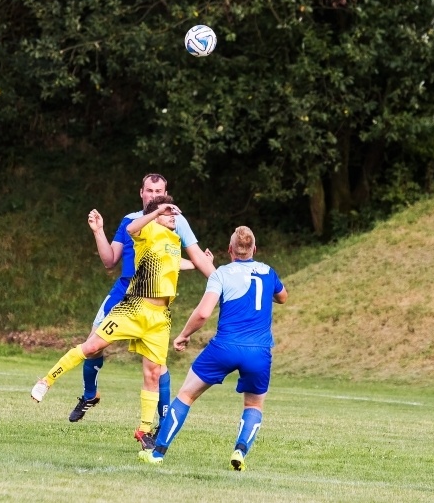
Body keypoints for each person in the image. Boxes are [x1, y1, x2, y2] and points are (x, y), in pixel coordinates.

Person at [31, 196, 203, 450]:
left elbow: (175, 262)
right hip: (133, 307)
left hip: (159, 318)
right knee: (91, 347)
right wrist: (157, 214)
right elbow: (132, 229)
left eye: (174, 213)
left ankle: (144, 431)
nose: (173, 216)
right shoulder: (145, 228)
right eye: (169, 213)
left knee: (153, 373)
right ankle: (46, 380)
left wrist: (198, 264)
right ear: (156, 213)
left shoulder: (173, 239)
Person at [70, 173, 215, 428]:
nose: (155, 196)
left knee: (157, 366)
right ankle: (90, 395)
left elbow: (193, 257)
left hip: (151, 298)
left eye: (159, 191)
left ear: (166, 193)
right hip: (123, 291)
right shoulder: (131, 221)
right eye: (150, 191)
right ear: (141, 193)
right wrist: (99, 231)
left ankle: (162, 420)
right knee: (92, 346)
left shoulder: (176, 220)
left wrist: (222, 282)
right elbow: (108, 261)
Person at [139, 226, 288, 470]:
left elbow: (203, 313)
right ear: (254, 250)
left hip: (224, 348)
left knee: (186, 395)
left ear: (230, 250)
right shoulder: (268, 272)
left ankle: (157, 453)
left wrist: (184, 335)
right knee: (253, 405)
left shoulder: (221, 274)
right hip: (259, 352)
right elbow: (283, 297)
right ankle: (240, 451)